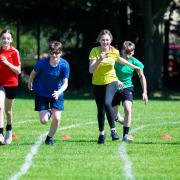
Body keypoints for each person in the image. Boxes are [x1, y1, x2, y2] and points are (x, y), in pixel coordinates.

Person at [89, 29, 140, 144]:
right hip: (97, 83)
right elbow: (91, 70)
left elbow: (120, 59)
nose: (105, 42)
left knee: (107, 103)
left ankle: (113, 131)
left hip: (111, 81)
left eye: (107, 40)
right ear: (99, 40)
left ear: (110, 40)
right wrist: (100, 59)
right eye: (103, 40)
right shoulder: (94, 51)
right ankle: (101, 134)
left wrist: (133, 66)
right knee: (100, 110)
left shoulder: (114, 51)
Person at [28, 41, 70, 145]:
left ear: (61, 53)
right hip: (41, 93)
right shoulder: (42, 63)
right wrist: (30, 82)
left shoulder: (64, 65)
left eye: (57, 53)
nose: (54, 55)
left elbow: (65, 83)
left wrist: (58, 92)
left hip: (57, 93)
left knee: (57, 118)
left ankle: (49, 138)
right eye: (52, 53)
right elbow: (33, 73)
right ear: (49, 53)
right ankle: (50, 111)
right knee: (44, 121)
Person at [112, 41, 148, 142]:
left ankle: (125, 136)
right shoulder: (115, 60)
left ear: (133, 52)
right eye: (126, 53)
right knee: (114, 116)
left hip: (127, 88)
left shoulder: (135, 62)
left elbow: (141, 76)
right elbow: (109, 72)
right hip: (114, 88)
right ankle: (120, 119)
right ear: (122, 51)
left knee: (128, 109)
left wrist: (144, 92)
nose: (128, 56)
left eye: (130, 53)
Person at [0, 29, 21, 145]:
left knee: (8, 111)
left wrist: (7, 63)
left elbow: (18, 71)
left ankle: (9, 130)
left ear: (11, 40)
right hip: (0, 84)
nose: (5, 40)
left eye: (8, 38)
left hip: (12, 84)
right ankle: (0, 133)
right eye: (3, 38)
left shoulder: (15, 52)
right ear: (0, 40)